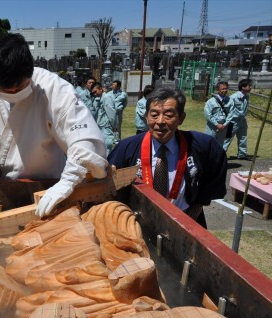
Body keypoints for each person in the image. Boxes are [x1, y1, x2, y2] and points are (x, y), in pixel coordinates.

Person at [0, 33, 108, 218]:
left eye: (20, 87)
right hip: (0, 186)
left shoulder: (54, 88)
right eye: (4, 90)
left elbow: (85, 139)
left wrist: (67, 182)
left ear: (30, 72)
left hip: (51, 185)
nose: (13, 92)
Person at [108, 86, 227, 228]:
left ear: (181, 118)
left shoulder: (202, 145)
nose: (160, 121)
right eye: (154, 114)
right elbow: (109, 185)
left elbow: (215, 169)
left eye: (169, 115)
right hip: (139, 221)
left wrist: (200, 202)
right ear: (146, 117)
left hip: (186, 219)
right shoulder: (126, 148)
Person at [223, 79, 252, 160]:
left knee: (243, 137)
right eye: (249, 86)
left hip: (242, 120)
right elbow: (227, 108)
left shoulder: (246, 97)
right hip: (233, 121)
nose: (250, 87)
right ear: (243, 87)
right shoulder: (233, 97)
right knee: (227, 138)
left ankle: (242, 155)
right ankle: (221, 154)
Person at [91, 82, 117, 154]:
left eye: (95, 91)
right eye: (93, 93)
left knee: (106, 147)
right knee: (102, 146)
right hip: (102, 126)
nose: (95, 94)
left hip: (106, 127)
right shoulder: (100, 99)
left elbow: (111, 113)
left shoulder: (106, 98)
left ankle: (107, 163)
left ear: (100, 89)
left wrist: (114, 126)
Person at [204, 81, 232, 146]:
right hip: (212, 126)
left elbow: (231, 113)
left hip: (224, 127)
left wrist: (224, 125)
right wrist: (217, 124)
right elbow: (208, 114)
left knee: (220, 145)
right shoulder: (211, 101)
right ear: (217, 90)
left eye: (226, 88)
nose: (225, 90)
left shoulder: (230, 101)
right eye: (223, 89)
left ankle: (218, 156)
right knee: (209, 143)